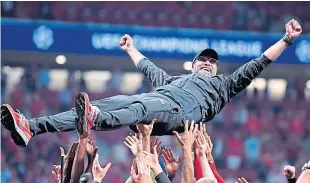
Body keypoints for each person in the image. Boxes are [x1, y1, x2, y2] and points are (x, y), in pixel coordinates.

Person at [1, 20, 302, 147]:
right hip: (159, 102)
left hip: (181, 114)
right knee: (115, 101)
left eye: (212, 61)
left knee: (140, 104)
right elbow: (148, 67)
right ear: (194, 64)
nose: (208, 63)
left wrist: (286, 40)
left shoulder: (223, 85)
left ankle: (95, 118)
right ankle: (33, 127)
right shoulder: (173, 79)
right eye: (203, 60)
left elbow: (256, 65)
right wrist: (130, 48)